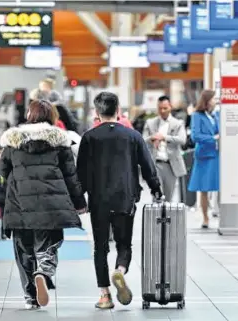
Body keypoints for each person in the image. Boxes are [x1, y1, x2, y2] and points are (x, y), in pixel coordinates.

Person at [76, 92, 162, 310]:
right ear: (118, 110)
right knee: (124, 244)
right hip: (125, 197)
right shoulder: (132, 136)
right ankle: (120, 270)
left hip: (99, 200)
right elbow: (148, 166)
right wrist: (156, 189)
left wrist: (79, 200)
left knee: (100, 248)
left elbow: (82, 172)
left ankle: (105, 295)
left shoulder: (89, 137)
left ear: (97, 112)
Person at [0, 99, 86, 310]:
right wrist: (79, 203)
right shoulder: (59, 142)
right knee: (48, 243)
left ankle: (30, 297)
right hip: (50, 206)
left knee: (23, 250)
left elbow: (3, 170)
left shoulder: (13, 142)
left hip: (18, 204)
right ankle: (44, 271)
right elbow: (70, 176)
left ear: (29, 115)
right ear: (52, 117)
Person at [143, 95, 187, 201]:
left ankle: (166, 218)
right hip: (155, 164)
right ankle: (156, 218)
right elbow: (142, 140)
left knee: (168, 198)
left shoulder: (178, 123)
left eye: (165, 108)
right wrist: (152, 138)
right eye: (160, 108)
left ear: (170, 107)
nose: (162, 111)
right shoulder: (150, 123)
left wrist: (164, 137)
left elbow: (182, 140)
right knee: (157, 196)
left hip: (171, 165)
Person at [188, 90, 220, 228]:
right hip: (204, 156)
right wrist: (212, 138)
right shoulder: (197, 116)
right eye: (213, 99)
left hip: (217, 155)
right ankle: (205, 218)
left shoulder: (216, 115)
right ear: (207, 101)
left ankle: (220, 214)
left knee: (220, 187)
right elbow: (195, 136)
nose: (215, 101)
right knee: (204, 188)